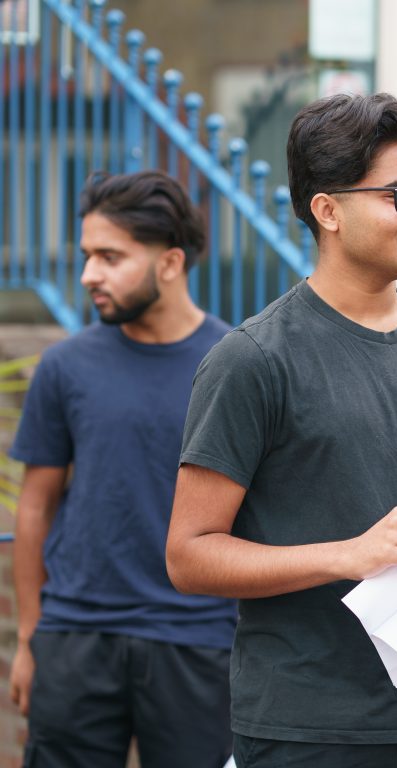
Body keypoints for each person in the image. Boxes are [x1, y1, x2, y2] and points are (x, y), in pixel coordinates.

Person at [166, 93, 397, 768]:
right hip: (306, 728)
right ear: (327, 209)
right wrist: (347, 554)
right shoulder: (253, 360)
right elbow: (189, 555)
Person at [8, 170, 236, 767]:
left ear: (170, 262)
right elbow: (35, 507)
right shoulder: (63, 367)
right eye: (87, 256)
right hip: (76, 638)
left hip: (200, 642)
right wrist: (32, 639)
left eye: (110, 257)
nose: (88, 276)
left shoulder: (235, 367)